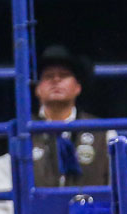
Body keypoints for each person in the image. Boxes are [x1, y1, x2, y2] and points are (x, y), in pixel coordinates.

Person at [31, 44, 110, 188]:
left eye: (64, 75)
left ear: (78, 87)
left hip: (92, 209)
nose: (56, 80)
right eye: (48, 76)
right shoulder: (24, 131)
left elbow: (122, 185)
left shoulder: (101, 131)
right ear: (38, 89)